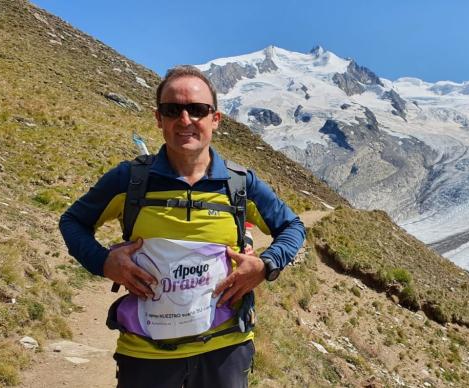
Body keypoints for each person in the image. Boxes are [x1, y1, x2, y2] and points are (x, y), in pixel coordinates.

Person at [59, 65, 305, 387]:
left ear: (215, 119)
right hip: (146, 354)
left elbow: (292, 226)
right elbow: (72, 221)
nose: (185, 120)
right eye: (172, 110)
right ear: (158, 118)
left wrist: (265, 265)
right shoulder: (130, 180)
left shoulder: (240, 184)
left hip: (225, 349)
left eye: (197, 110)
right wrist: (104, 262)